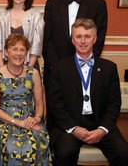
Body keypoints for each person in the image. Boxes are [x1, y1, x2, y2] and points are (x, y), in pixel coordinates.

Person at [46, 18, 128, 166]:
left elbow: (114, 104)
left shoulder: (109, 68)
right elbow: (55, 104)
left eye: (87, 36)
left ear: (95, 39)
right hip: (70, 125)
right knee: (65, 153)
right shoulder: (59, 68)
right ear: (72, 40)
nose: (83, 41)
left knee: (123, 152)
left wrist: (102, 130)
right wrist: (74, 128)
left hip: (100, 123)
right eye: (79, 36)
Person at [42, 0, 107, 92]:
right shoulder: (51, 3)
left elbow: (98, 39)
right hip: (55, 71)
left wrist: (82, 65)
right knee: (56, 110)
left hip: (86, 70)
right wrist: (57, 67)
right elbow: (46, 39)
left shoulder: (98, 4)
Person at [0, 34, 52, 165]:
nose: (19, 53)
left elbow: (40, 103)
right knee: (10, 146)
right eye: (14, 49)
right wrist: (17, 122)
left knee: (38, 139)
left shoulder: (33, 73)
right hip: (4, 121)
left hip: (29, 120)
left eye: (22, 50)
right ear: (6, 52)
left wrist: (36, 119)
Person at [0, 0, 44, 72]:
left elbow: (36, 47)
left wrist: (27, 72)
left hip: (30, 67)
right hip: (6, 67)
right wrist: (2, 70)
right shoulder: (1, 15)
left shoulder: (36, 16)